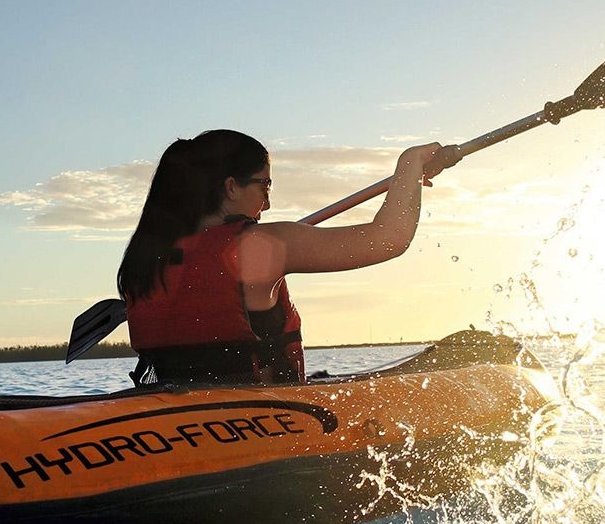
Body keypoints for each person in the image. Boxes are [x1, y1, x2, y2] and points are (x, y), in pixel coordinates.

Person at [118, 129, 444, 386]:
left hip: (173, 412)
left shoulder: (145, 260)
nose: (267, 204)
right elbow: (387, 239)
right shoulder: (256, 244)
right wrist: (410, 164)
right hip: (258, 416)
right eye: (265, 186)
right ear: (231, 187)